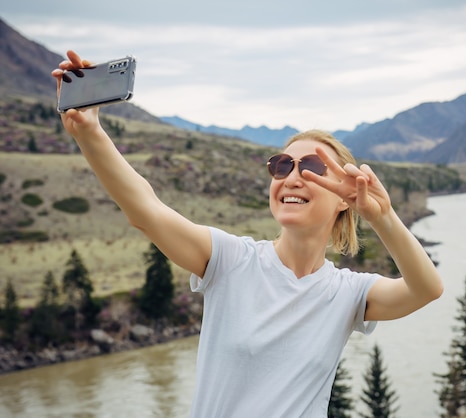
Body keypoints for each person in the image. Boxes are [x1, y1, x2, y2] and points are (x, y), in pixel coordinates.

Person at [52, 50, 443, 418]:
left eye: (311, 166)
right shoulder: (230, 260)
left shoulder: (348, 294)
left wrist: (383, 216)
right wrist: (89, 132)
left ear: (344, 197)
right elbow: (147, 211)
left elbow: (426, 289)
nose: (292, 177)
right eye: (281, 166)